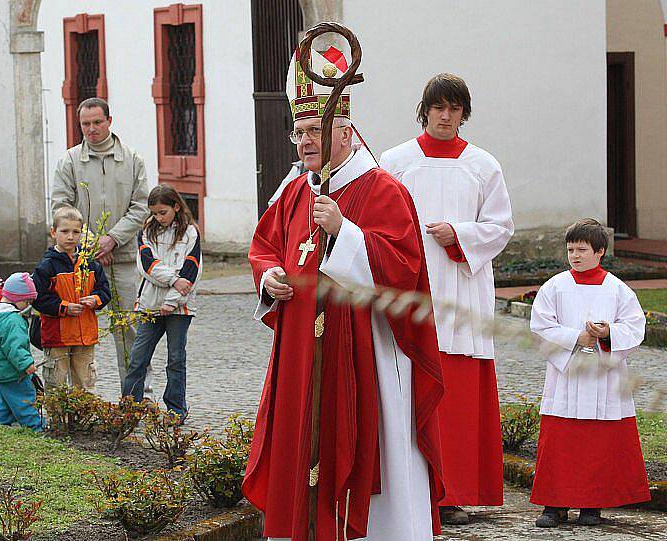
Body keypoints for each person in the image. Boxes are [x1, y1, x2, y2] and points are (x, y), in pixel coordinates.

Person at [243, 47, 445, 541]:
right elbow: (265, 246)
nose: (305, 141)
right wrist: (269, 278)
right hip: (300, 355)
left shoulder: (383, 190)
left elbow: (405, 269)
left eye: (315, 131)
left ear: (345, 132)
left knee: (369, 452)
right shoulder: (294, 191)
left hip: (366, 353)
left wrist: (346, 232)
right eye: (300, 132)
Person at [379, 73, 514, 525]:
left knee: (455, 398)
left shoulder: (483, 165)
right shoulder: (395, 162)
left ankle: (452, 491)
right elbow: (375, 222)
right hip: (409, 292)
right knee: (406, 389)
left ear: (464, 113)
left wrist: (460, 234)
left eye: (454, 108)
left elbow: (500, 226)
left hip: (461, 289)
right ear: (425, 109)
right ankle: (408, 487)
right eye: (438, 107)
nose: (445, 115)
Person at [529, 219, 649, 527]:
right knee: (559, 441)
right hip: (566, 376)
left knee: (599, 443)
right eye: (570, 249)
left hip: (603, 378)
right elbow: (540, 327)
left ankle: (592, 505)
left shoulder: (618, 290)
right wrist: (575, 338)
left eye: (582, 249)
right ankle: (553, 506)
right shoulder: (554, 286)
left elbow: (635, 327)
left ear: (600, 251)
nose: (575, 255)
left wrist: (608, 333)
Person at [50, 96, 152, 396]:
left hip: (121, 259)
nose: (91, 129)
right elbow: (61, 207)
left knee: (128, 329)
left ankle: (136, 395)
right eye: (85, 124)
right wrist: (93, 246)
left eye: (97, 122)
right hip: (79, 262)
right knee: (75, 328)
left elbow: (141, 206)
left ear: (109, 121)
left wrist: (112, 240)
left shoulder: (132, 159)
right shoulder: (69, 161)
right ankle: (77, 397)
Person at [122, 185, 202, 422]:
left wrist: (173, 300)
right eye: (154, 213)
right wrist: (174, 280)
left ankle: (176, 409)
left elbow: (192, 271)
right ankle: (131, 407)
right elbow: (147, 265)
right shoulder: (146, 231)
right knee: (138, 357)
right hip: (149, 304)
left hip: (180, 308)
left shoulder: (190, 233)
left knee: (176, 359)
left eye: (162, 212)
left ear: (176, 207)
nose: (158, 217)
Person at [32, 206, 111, 391]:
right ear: (54, 232)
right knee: (56, 384)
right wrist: (63, 307)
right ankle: (57, 420)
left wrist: (95, 300)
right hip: (57, 336)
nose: (70, 237)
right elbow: (38, 298)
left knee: (85, 383)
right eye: (65, 231)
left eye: (76, 232)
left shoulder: (90, 263)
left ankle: (82, 419)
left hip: (85, 336)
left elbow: (105, 291)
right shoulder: (46, 266)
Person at [0, 272, 44, 431]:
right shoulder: (12, 319)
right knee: (24, 400)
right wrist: (26, 365)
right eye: (28, 301)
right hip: (12, 371)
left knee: (6, 402)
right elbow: (15, 347)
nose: (28, 305)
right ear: (19, 298)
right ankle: (36, 428)